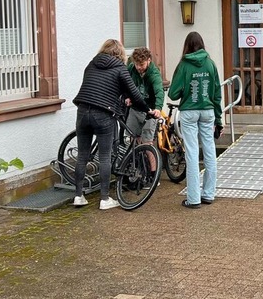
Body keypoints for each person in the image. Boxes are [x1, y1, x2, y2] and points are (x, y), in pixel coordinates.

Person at [72, 39, 159, 210]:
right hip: (103, 114)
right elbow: (134, 94)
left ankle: (78, 196)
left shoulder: (91, 64)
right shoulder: (120, 68)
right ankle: (105, 199)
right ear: (120, 54)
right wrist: (147, 109)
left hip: (82, 111)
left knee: (82, 155)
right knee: (105, 156)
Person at [167, 32, 223, 209]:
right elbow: (216, 94)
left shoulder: (183, 65)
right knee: (209, 151)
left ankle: (193, 199)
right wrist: (219, 119)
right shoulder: (210, 63)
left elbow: (173, 93)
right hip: (208, 111)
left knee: (191, 153)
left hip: (189, 112)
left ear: (187, 46)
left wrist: (186, 90)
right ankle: (208, 194)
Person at [125, 47, 165, 186]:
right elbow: (126, 84)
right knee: (133, 140)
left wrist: (158, 108)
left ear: (148, 61)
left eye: (141, 65)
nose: (139, 67)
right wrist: (128, 97)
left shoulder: (154, 73)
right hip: (135, 109)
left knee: (148, 143)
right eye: (136, 64)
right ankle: (136, 170)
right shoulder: (131, 68)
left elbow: (159, 91)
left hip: (149, 112)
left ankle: (153, 176)